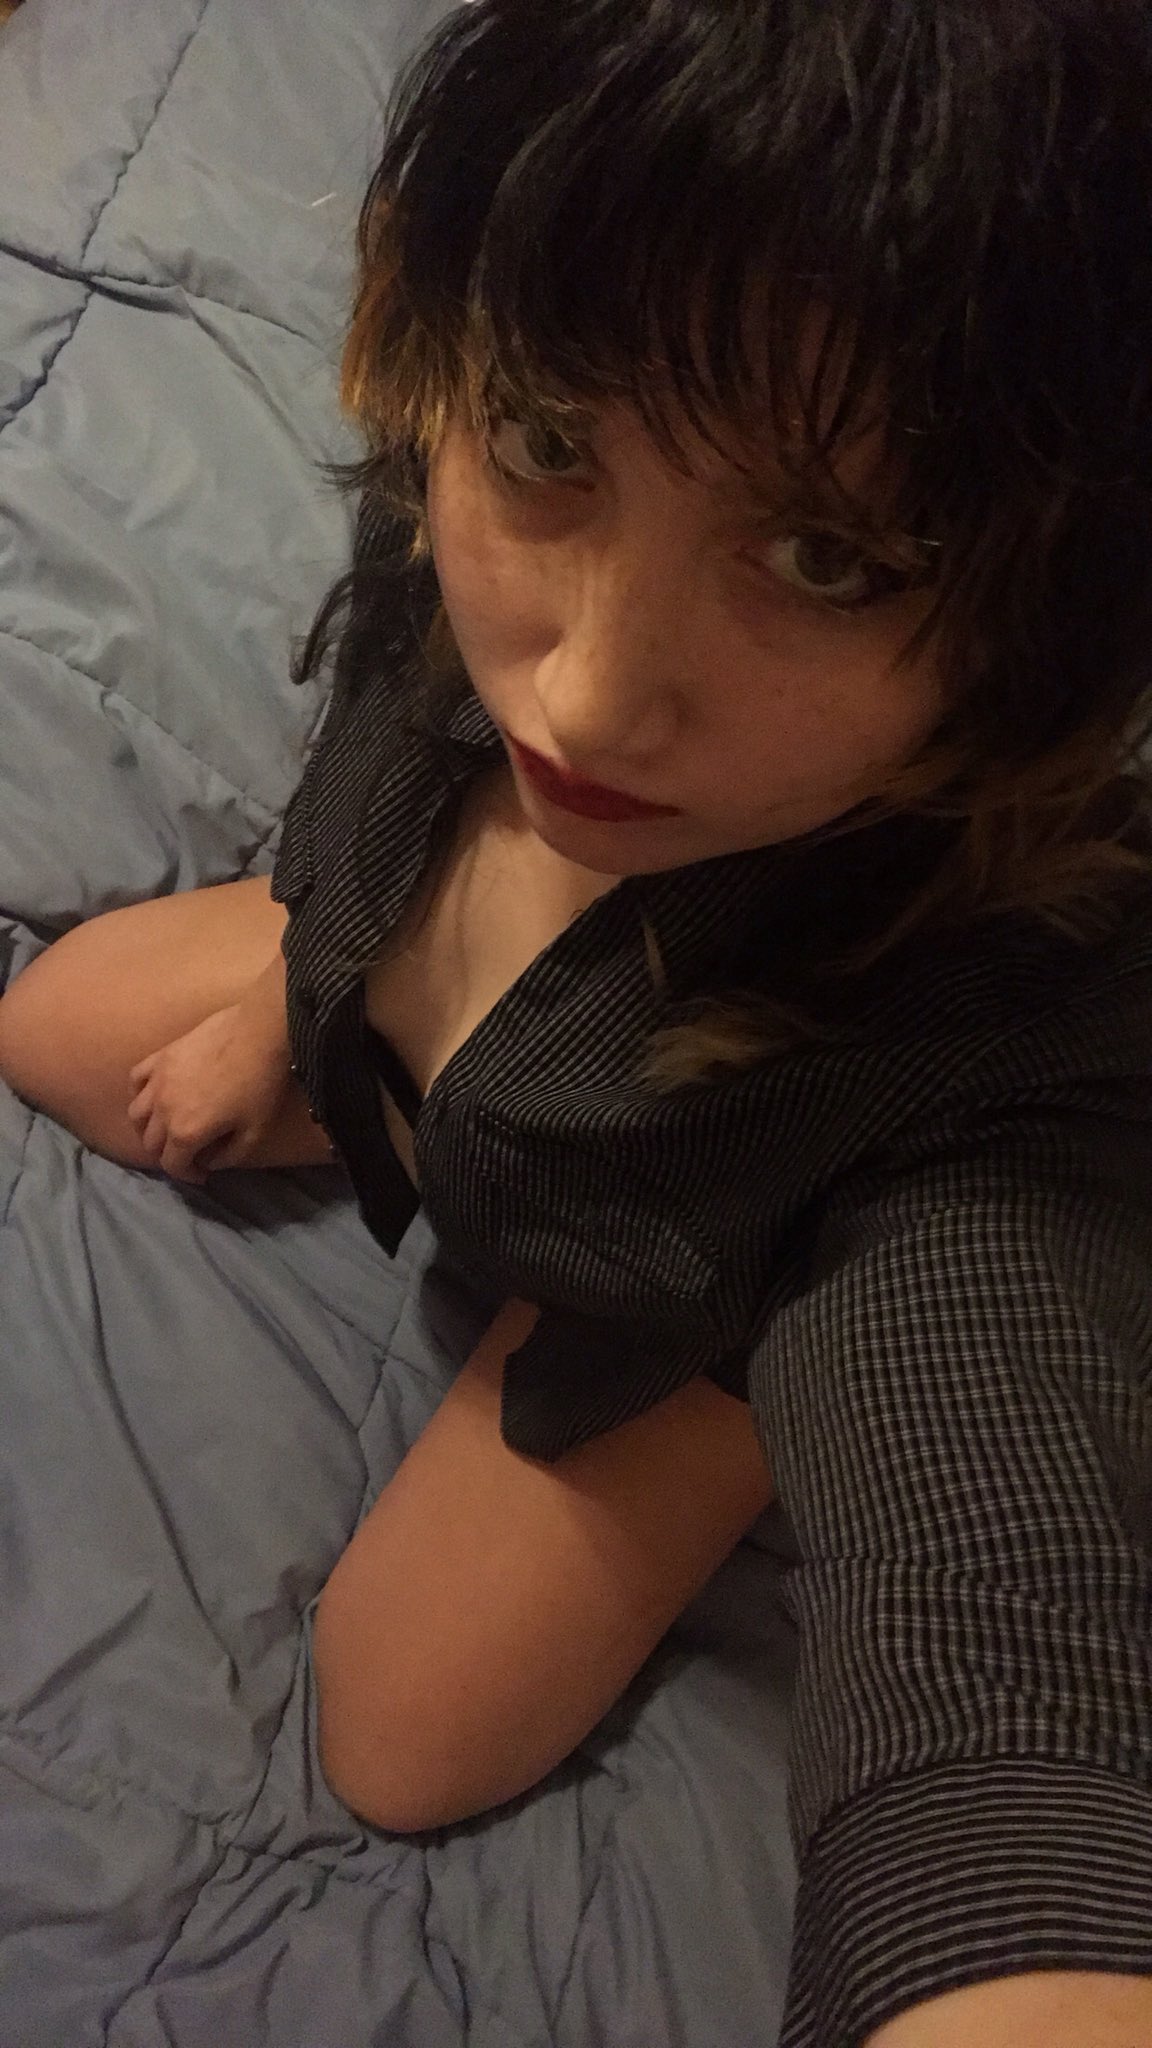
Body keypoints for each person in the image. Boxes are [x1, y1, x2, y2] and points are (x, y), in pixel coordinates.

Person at [1, 0, 1151, 2039]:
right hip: (453, 1008)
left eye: (824, 557)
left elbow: (1007, 1679)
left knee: (399, 1731)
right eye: (548, 445)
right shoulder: (497, 420)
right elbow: (383, 725)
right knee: (56, 1024)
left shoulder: (1003, 1047)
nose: (591, 698)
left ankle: (726, 1336)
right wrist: (304, 979)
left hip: (693, 1258)